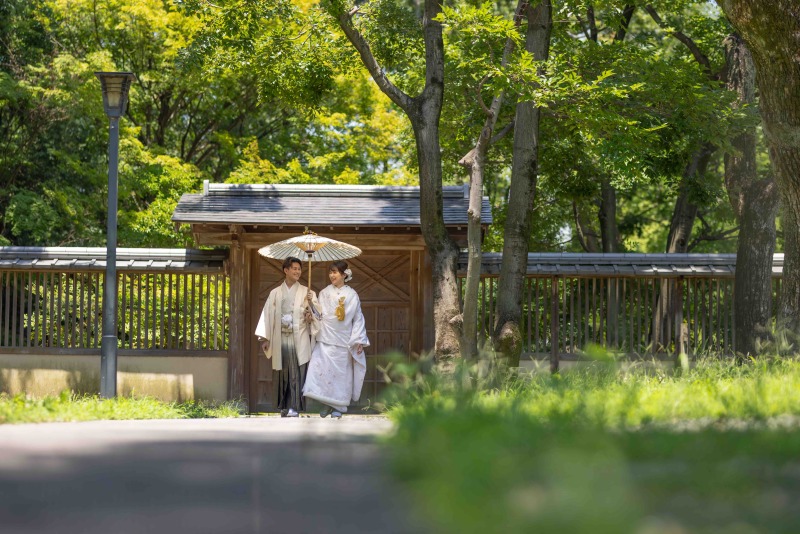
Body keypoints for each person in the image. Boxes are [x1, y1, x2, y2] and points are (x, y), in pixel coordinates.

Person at [303, 260, 370, 418]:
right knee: (323, 371)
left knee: (341, 375)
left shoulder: (352, 295)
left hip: (343, 340)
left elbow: (358, 318)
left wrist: (359, 339)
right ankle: (326, 404)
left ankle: (338, 406)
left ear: (344, 274)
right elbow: (319, 315)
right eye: (330, 272)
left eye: (335, 272)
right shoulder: (324, 292)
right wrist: (311, 303)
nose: (331, 275)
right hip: (326, 337)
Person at [254, 256, 319, 417]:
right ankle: (283, 406)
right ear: (286, 270)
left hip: (299, 337)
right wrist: (265, 338)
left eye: (299, 269)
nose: (297, 272)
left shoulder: (307, 292)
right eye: (294, 269)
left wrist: (310, 309)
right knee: (282, 371)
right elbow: (267, 315)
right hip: (280, 337)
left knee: (297, 372)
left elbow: (317, 316)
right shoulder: (275, 293)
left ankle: (294, 407)